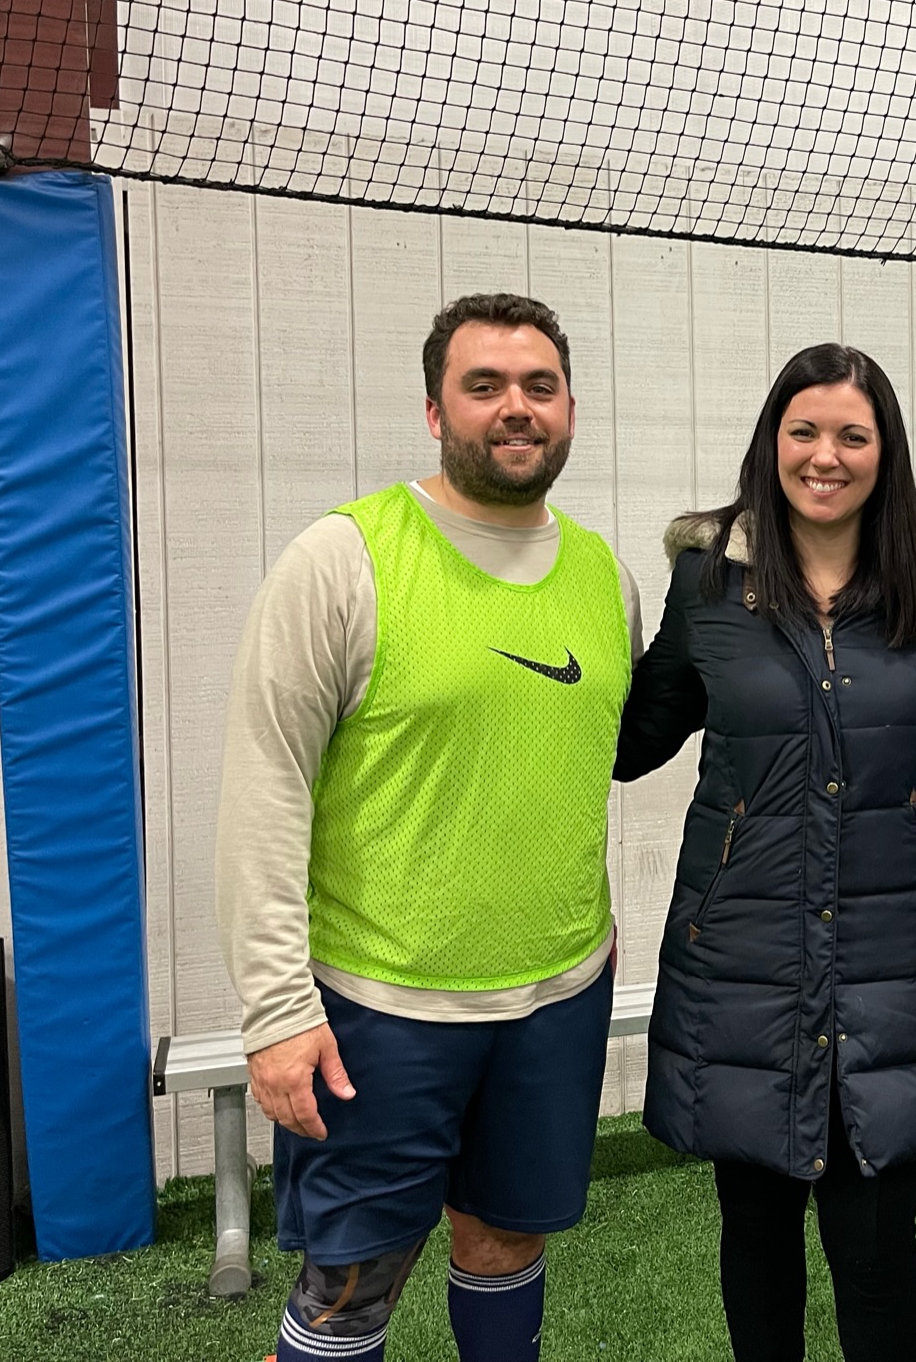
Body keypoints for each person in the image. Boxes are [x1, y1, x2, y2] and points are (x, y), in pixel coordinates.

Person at [216, 293, 642, 1362]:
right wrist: (275, 1011)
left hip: (556, 996)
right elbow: (264, 793)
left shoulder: (608, 577)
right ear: (434, 410)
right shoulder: (342, 559)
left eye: (539, 386)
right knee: (350, 1287)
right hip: (381, 1008)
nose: (515, 407)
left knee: (505, 1242)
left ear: (570, 408)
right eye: (483, 385)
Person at [613, 344, 916, 1362]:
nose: (826, 455)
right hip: (743, 959)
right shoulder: (709, 582)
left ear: (884, 451)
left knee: (878, 1247)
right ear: (771, 442)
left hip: (890, 959)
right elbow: (632, 740)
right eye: (804, 431)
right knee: (758, 1235)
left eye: (852, 435)